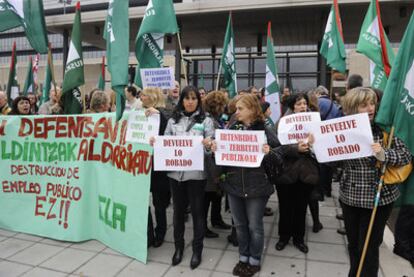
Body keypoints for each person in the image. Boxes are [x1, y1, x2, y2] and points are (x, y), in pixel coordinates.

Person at [310, 87, 411, 276]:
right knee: (354, 245)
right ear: (352, 108)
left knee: (369, 249)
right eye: (364, 105)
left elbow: (405, 156)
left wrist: (384, 154)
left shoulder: (384, 129)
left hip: (378, 200)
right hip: (350, 197)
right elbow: (332, 161)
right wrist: (315, 147)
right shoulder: (342, 129)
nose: (370, 108)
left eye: (372, 103)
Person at [211, 94, 280, 277]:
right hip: (234, 185)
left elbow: (280, 157)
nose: (237, 112)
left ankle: (254, 260)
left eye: (241, 109)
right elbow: (222, 158)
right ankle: (243, 257)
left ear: (252, 109)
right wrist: (216, 150)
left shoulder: (265, 130)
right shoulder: (233, 127)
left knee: (254, 226)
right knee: (240, 225)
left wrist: (269, 152)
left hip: (257, 186)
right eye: (236, 109)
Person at [163, 85, 215, 269]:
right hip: (175, 175)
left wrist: (209, 145)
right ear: (182, 100)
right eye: (187, 98)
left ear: (198, 101)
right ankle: (178, 248)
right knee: (178, 212)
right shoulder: (173, 120)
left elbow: (210, 150)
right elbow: (166, 143)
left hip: (196, 175)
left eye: (194, 98)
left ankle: (197, 250)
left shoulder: (206, 120)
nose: (190, 101)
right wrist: (157, 142)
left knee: (198, 213)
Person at [274, 93, 320, 254]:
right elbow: (276, 146)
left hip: (306, 173)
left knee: (301, 208)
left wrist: (314, 144)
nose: (302, 106)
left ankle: (299, 239)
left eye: (304, 103)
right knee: (285, 207)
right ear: (292, 106)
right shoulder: (282, 123)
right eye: (299, 103)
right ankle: (283, 237)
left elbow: (322, 146)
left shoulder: (314, 123)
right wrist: (296, 149)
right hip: (286, 173)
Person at [142, 87, 171, 249]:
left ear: (152, 98)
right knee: (142, 201)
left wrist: (158, 115)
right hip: (142, 164)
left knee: (159, 203)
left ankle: (160, 232)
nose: (141, 97)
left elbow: (168, 134)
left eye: (144, 95)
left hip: (158, 167)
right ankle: (148, 233)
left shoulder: (162, 114)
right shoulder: (139, 112)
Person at [202, 91, 231, 239]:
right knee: (208, 195)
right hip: (209, 164)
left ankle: (216, 219)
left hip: (216, 164)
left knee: (216, 194)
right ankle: (203, 227)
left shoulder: (217, 119)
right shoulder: (209, 120)